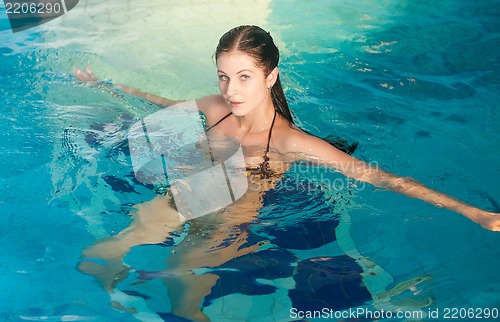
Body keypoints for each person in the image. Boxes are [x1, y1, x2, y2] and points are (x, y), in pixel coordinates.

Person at [75, 25, 499, 321]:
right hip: (181, 196)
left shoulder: (289, 142)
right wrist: (107, 87)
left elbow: (380, 178)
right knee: (98, 256)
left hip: (229, 222)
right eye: (224, 77)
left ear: (270, 76)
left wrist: (472, 212)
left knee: (180, 283)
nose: (231, 90)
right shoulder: (215, 108)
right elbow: (160, 101)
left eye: (244, 77)